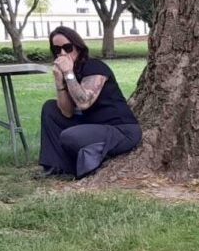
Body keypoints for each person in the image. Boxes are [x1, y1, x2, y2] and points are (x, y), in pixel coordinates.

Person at [37, 26, 142, 179]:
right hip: (94, 126)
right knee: (50, 108)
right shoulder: (72, 73)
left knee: (70, 136)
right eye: (57, 50)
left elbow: (84, 102)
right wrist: (59, 81)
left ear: (78, 47)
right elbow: (66, 112)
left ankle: (91, 156)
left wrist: (68, 73)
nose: (63, 53)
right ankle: (57, 167)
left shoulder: (94, 66)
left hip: (121, 130)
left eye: (67, 47)